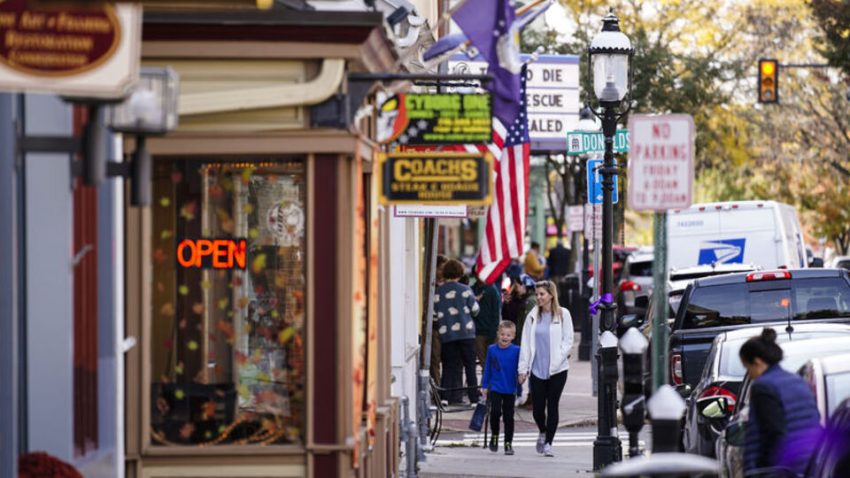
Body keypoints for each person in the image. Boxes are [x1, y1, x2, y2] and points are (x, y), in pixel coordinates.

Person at [739, 328, 822, 476]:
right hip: (808, 464)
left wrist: (761, 469)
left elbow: (773, 432)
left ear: (757, 362)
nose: (750, 375)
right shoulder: (797, 380)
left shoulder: (763, 386)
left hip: (780, 469)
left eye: (748, 368)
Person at [517, 279, 574, 457]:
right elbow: (525, 343)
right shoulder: (533, 316)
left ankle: (549, 442)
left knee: (553, 405)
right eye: (537, 294)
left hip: (558, 370)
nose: (538, 297)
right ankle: (542, 430)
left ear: (551, 295)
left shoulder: (563, 314)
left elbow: (568, 341)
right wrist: (523, 369)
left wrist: (557, 359)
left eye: (542, 294)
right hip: (537, 370)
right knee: (538, 409)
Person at [435, 259, 480, 405]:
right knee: (470, 366)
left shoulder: (438, 291)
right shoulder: (466, 290)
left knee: (448, 366)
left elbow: (434, 315)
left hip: (447, 334)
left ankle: (444, 398)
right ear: (460, 273)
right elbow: (475, 310)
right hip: (466, 334)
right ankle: (474, 398)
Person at [481, 321, 522, 456]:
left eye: (508, 335)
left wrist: (520, 384)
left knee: (509, 417)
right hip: (496, 388)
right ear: (498, 334)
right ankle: (494, 436)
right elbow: (487, 368)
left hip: (510, 389)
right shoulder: (492, 350)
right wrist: (484, 385)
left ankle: (508, 443)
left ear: (513, 336)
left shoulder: (517, 350)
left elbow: (520, 369)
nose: (505, 337)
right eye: (503, 334)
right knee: (495, 412)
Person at [471, 273, 502, 368]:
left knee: (492, 362)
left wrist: (493, 333)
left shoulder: (492, 289)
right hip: (477, 332)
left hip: (490, 331)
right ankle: (486, 382)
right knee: (483, 362)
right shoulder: (472, 289)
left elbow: (496, 313)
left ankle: (489, 382)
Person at [430, 255, 448, 387]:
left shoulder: (449, 286)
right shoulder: (430, 285)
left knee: (449, 360)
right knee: (435, 359)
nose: (442, 272)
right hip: (435, 327)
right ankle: (437, 387)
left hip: (449, 327)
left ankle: (448, 388)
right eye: (441, 268)